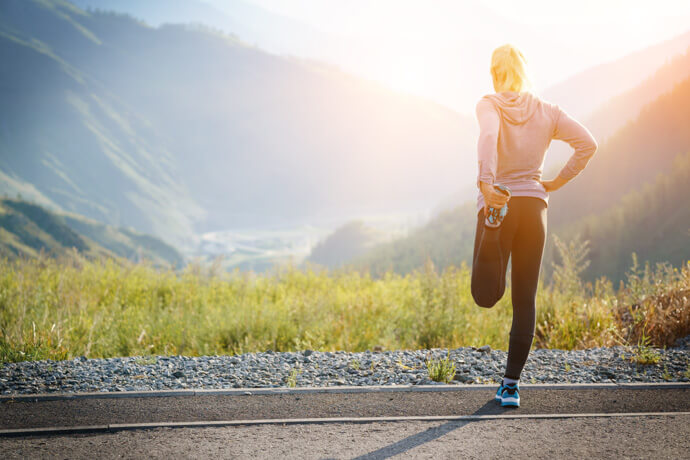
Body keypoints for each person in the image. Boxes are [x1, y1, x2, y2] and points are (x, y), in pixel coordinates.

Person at [471, 44, 598, 407]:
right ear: (524, 72)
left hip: (500, 201)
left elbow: (487, 138)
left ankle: (493, 225)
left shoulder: (489, 104)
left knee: (485, 295)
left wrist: (487, 182)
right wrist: (556, 182)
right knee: (524, 299)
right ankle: (510, 387)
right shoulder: (548, 111)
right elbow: (587, 144)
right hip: (535, 208)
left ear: (495, 72)